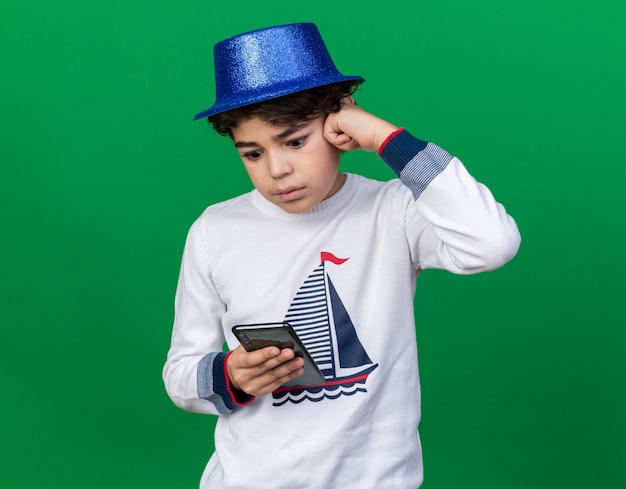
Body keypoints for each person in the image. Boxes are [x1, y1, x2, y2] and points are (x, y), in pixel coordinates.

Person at [163, 22, 520, 489]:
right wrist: (230, 374)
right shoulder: (215, 230)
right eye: (252, 153)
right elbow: (181, 375)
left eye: (295, 141)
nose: (277, 170)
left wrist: (385, 138)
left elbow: (492, 243)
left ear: (339, 120)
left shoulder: (393, 210)